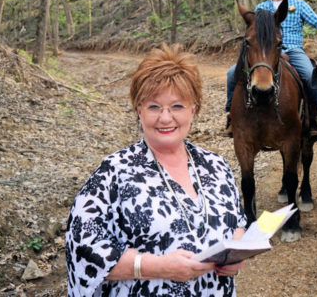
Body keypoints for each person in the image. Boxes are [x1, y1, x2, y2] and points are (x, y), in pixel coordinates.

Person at [65, 44, 247, 296]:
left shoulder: (216, 165)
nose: (165, 117)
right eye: (153, 107)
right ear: (139, 110)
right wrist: (156, 267)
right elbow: (82, 249)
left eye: (177, 106)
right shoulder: (114, 172)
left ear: (193, 110)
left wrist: (237, 253)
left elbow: (237, 222)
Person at [223, 0, 317, 142]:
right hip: (266, 52)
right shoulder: (261, 7)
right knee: (232, 74)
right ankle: (231, 115)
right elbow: (254, 31)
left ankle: (314, 119)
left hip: (293, 50)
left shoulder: (298, 5)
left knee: (309, 75)